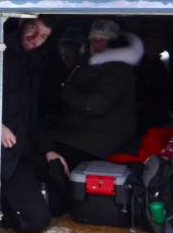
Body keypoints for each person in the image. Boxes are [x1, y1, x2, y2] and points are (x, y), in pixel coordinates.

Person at [44, 19, 143, 214]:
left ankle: (63, 202)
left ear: (113, 43)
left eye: (103, 40)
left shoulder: (116, 68)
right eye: (94, 40)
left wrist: (65, 90)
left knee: (52, 150)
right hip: (87, 128)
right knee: (44, 135)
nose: (97, 44)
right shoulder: (92, 63)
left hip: (105, 135)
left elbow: (94, 105)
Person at [0, 16, 54, 233]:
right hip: (3, 154)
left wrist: (48, 150)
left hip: (23, 150)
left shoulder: (32, 62)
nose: (35, 39)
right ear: (22, 24)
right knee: (36, 221)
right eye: (33, 29)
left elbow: (32, 114)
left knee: (59, 200)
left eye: (43, 36)